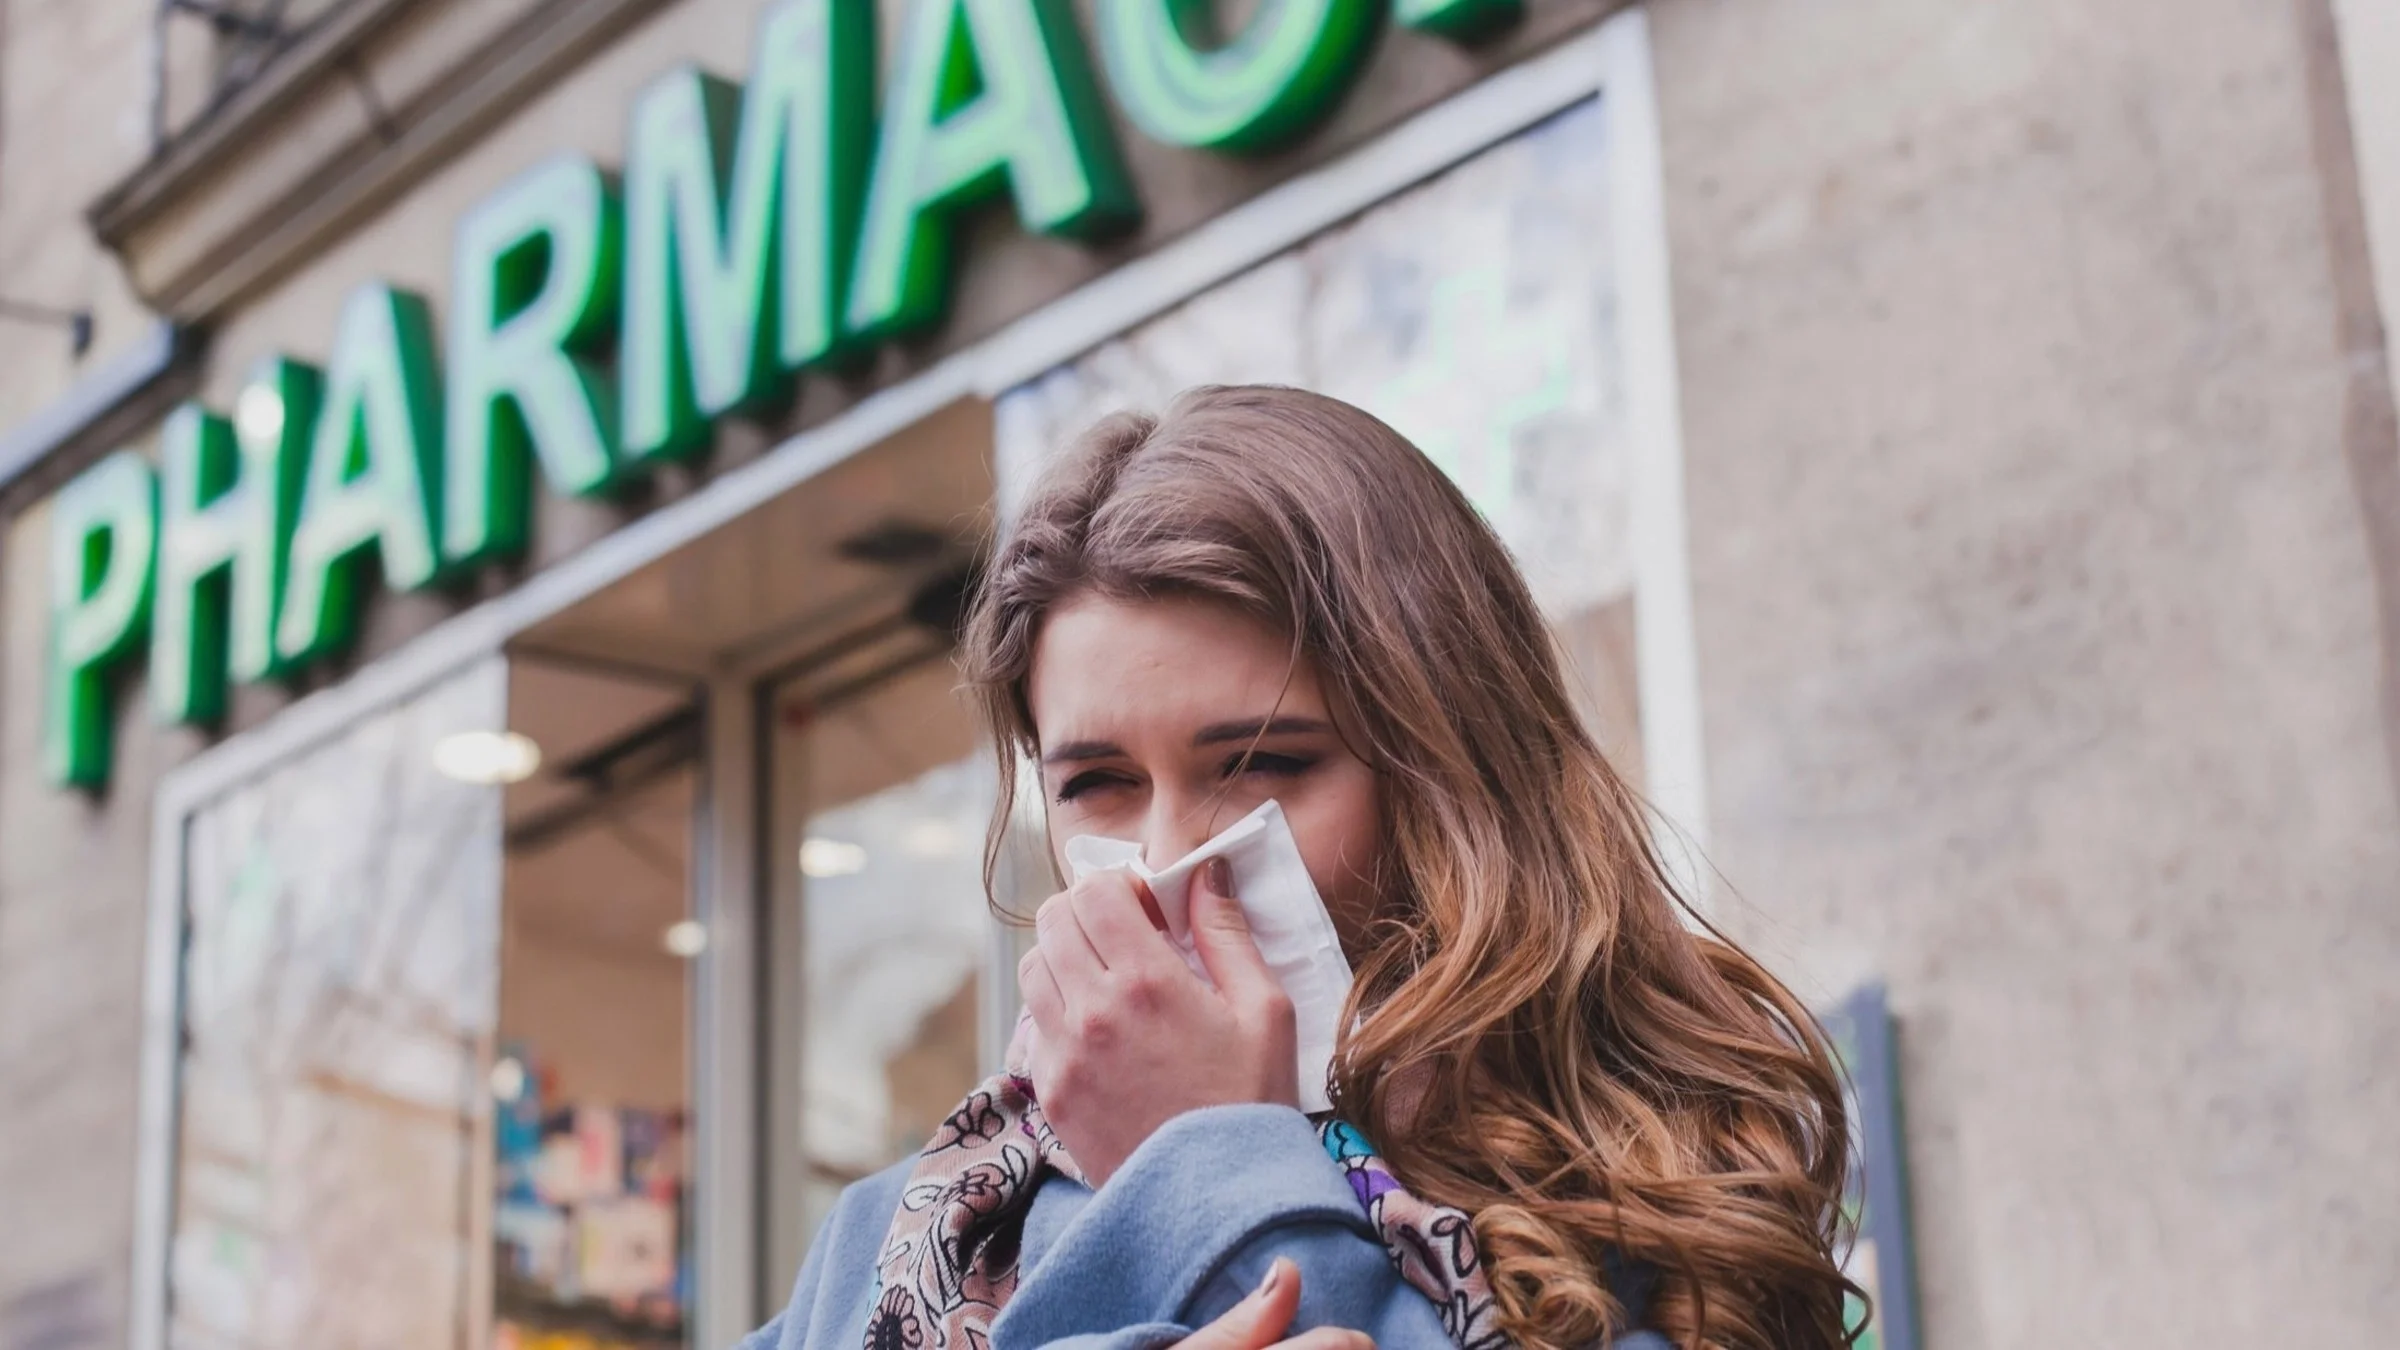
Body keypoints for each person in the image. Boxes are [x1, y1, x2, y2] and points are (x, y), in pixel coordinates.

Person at [743, 386, 1860, 1350]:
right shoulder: (903, 1233)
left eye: (1263, 764)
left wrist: (1202, 1160)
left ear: (1456, 775)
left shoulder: (1661, 1206)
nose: (1168, 860)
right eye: (1099, 783)